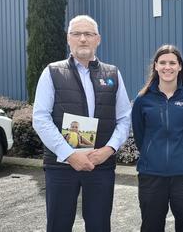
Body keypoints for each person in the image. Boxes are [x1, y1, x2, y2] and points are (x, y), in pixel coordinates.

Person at [32, 15, 132, 232]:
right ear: (68, 39)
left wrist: (109, 149)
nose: (83, 39)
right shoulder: (52, 72)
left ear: (98, 39)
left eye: (88, 34)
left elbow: (124, 118)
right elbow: (40, 118)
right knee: (59, 225)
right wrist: (69, 154)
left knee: (99, 225)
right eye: (77, 34)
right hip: (61, 166)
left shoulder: (112, 73)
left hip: (100, 164)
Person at [131, 44, 183, 232]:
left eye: (172, 62)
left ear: (180, 66)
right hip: (151, 175)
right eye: (162, 62)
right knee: (151, 226)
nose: (167, 67)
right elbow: (140, 136)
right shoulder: (142, 100)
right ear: (155, 66)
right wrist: (151, 153)